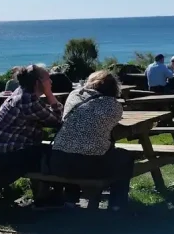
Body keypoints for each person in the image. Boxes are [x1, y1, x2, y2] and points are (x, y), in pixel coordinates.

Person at [49, 71, 133, 211]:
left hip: (58, 163)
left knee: (74, 145)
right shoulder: (114, 106)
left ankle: (70, 199)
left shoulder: (74, 96)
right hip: (89, 167)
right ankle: (117, 205)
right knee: (125, 158)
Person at [0, 65, 62, 156]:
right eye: (48, 78)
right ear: (38, 82)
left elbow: (46, 113)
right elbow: (58, 119)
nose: (51, 81)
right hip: (7, 156)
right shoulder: (28, 100)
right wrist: (49, 94)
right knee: (60, 156)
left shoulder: (20, 92)